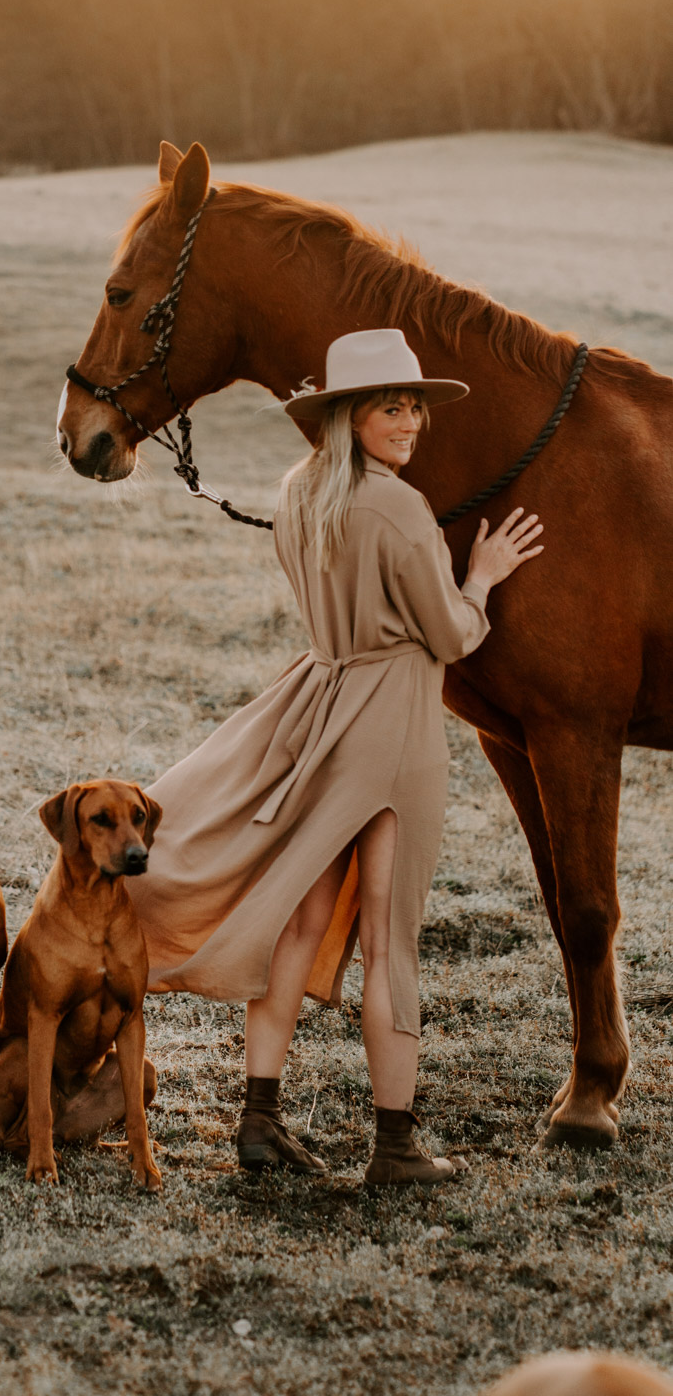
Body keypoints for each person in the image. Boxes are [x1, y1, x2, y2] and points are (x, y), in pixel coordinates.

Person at [126, 328, 543, 1184]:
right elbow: (449, 637)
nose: (410, 422)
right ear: (350, 416)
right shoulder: (398, 507)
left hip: (320, 710)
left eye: (414, 407)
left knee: (301, 923)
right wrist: (481, 577)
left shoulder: (302, 493)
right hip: (392, 727)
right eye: (391, 408)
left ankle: (259, 1120)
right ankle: (394, 1147)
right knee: (389, 942)